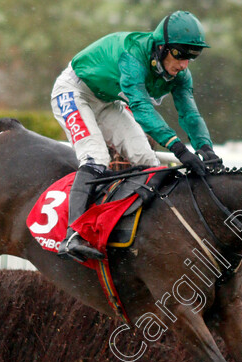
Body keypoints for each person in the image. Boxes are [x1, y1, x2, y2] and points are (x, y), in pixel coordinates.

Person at [50, 10, 218, 261]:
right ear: (162, 48)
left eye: (191, 58)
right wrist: (179, 149)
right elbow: (140, 107)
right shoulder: (133, 55)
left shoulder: (181, 73)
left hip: (107, 100)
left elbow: (189, 113)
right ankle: (73, 234)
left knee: (149, 164)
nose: (184, 65)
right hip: (73, 92)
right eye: (180, 55)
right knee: (96, 158)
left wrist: (205, 148)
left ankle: (138, 232)